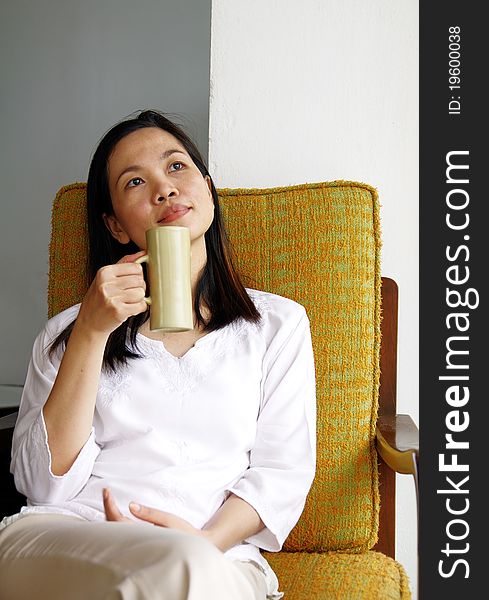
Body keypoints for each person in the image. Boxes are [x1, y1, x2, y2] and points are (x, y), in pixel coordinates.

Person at [0, 110, 316, 600]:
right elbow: (42, 485)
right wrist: (90, 332)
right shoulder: (67, 332)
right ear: (116, 226)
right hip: (71, 538)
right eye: (134, 182)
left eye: (176, 168)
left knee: (184, 570)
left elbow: (281, 474)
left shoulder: (276, 326)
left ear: (207, 189)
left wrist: (205, 542)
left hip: (209, 556)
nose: (164, 190)